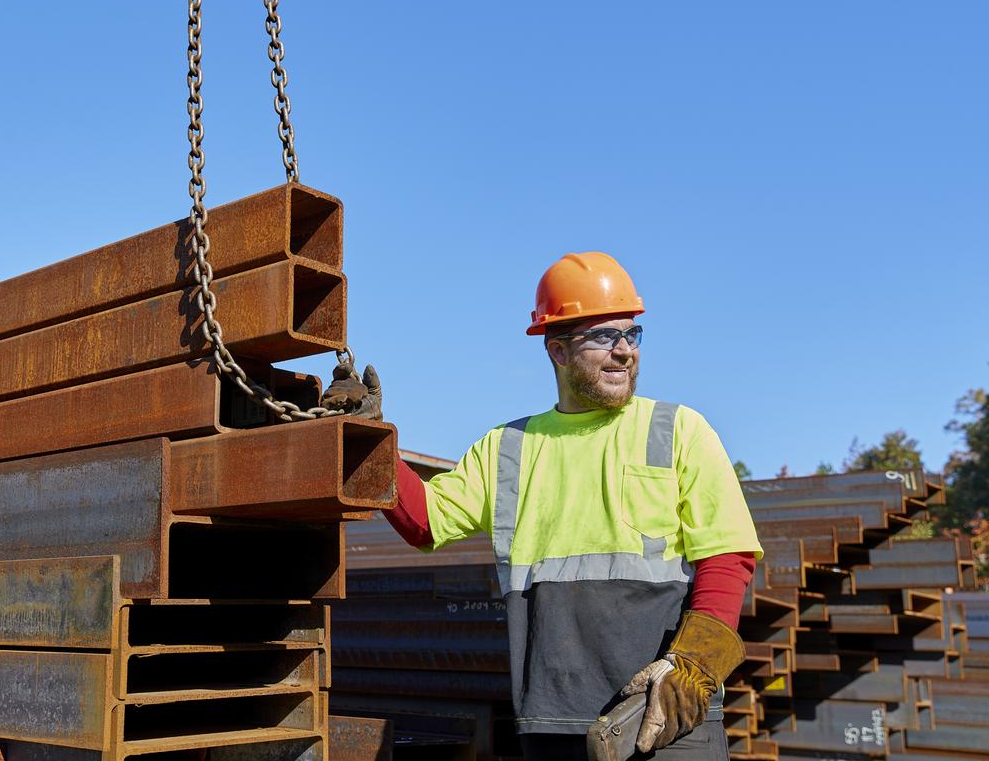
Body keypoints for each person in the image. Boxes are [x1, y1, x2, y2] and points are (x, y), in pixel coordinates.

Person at [323, 252, 763, 760]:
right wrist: (367, 441)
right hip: (553, 721)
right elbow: (425, 521)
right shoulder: (507, 447)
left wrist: (693, 668)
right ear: (556, 349)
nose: (624, 351)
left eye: (631, 335)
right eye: (603, 336)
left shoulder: (677, 430)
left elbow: (727, 557)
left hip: (663, 717)